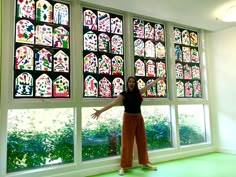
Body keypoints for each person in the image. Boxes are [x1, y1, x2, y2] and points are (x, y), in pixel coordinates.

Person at [91, 76, 163, 175]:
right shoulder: (123, 94)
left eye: (133, 82)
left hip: (139, 118)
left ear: (135, 84)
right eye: (130, 82)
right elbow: (112, 103)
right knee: (126, 143)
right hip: (128, 119)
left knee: (142, 140)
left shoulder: (139, 92)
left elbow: (149, 85)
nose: (131, 83)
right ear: (127, 83)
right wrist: (100, 111)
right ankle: (123, 166)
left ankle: (145, 162)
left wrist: (158, 79)